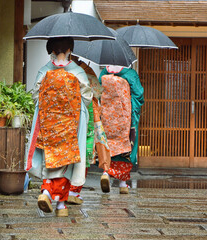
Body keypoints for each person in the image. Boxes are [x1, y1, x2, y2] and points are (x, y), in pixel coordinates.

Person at [26, 37, 93, 216]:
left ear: (52, 51)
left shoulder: (44, 71)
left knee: (50, 159)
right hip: (72, 124)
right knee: (67, 162)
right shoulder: (78, 72)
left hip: (48, 125)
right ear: (70, 49)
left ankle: (47, 192)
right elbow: (86, 98)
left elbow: (35, 96)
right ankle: (60, 204)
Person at [67, 57, 111, 204]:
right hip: (89, 113)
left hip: (68, 113)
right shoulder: (87, 71)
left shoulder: (64, 70)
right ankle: (76, 189)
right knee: (87, 148)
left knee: (69, 150)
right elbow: (97, 93)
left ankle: (66, 189)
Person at [98, 65, 144, 194]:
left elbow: (98, 90)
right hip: (125, 116)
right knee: (126, 147)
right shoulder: (130, 74)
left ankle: (106, 173)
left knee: (108, 144)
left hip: (107, 116)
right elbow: (138, 94)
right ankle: (123, 183)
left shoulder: (103, 73)